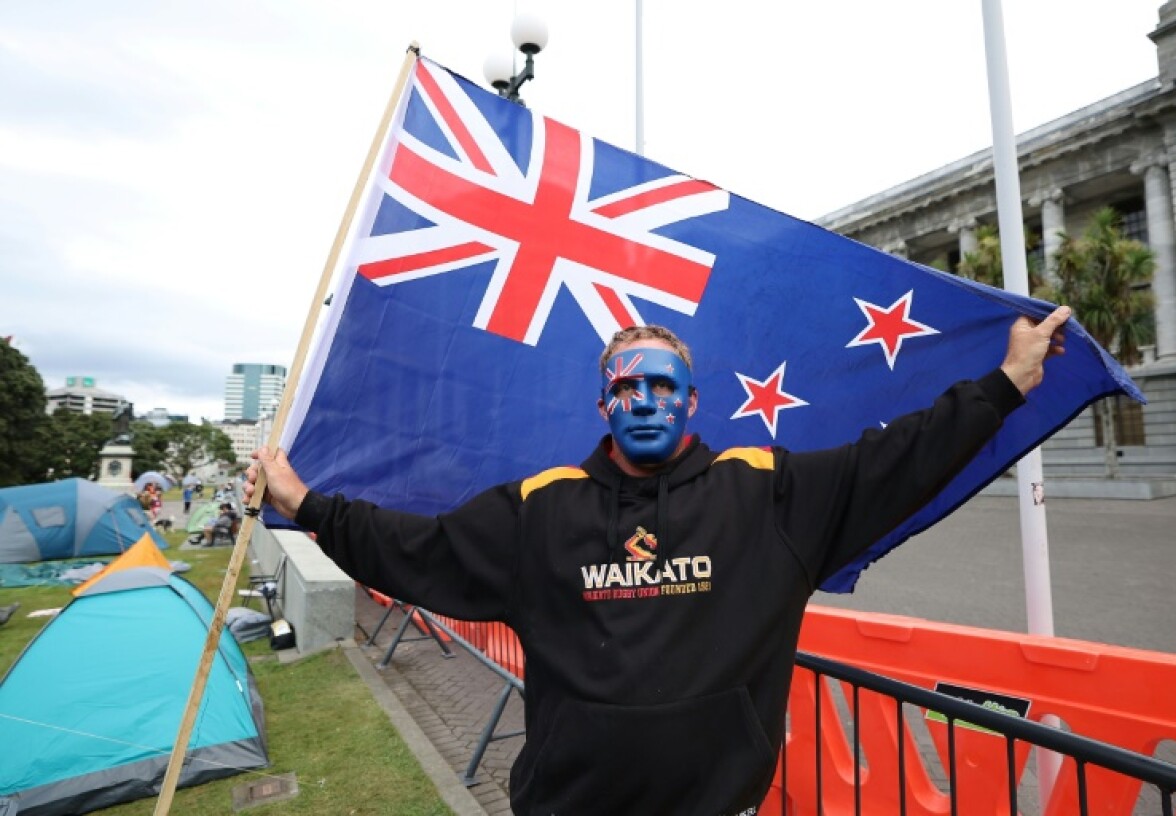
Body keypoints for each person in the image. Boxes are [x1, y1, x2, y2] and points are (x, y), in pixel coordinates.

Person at [247, 308, 1071, 816]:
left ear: (691, 400)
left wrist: (1003, 384)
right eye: (628, 388)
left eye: (664, 387)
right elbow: (411, 549)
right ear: (605, 401)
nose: (646, 403)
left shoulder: (765, 492)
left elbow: (902, 459)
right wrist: (306, 503)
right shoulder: (540, 508)